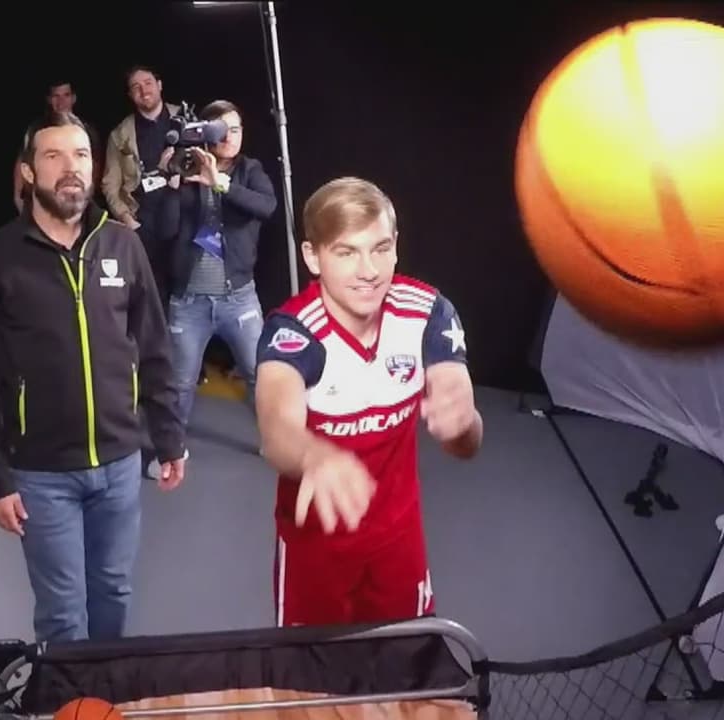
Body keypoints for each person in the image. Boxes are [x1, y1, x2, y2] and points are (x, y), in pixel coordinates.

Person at [0, 112, 187, 643]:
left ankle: (105, 686)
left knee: (114, 592)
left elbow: (154, 349)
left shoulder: (123, 246)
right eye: (53, 156)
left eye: (81, 155)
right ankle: (69, 692)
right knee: (62, 613)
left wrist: (169, 437)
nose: (70, 168)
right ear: (28, 171)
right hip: (41, 474)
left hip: (121, 465)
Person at [255, 176, 483, 627]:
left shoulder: (428, 314)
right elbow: (276, 428)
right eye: (347, 252)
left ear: (396, 246)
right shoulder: (293, 332)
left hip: (398, 542)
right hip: (315, 550)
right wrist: (313, 454)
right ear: (312, 257)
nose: (369, 271)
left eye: (380, 249)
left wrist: (464, 422)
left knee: (406, 663)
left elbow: (466, 443)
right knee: (308, 671)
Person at [153, 99, 276, 478]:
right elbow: (166, 231)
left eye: (235, 129)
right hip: (189, 301)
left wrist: (218, 183)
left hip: (239, 298)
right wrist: (172, 185)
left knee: (259, 374)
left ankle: (276, 440)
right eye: (221, 130)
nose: (229, 137)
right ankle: (171, 451)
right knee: (180, 382)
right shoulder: (187, 167)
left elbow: (266, 207)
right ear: (205, 133)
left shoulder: (250, 171)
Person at [102, 65, 181, 305]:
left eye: (147, 83)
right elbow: (109, 184)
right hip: (144, 222)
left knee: (187, 292)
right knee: (152, 296)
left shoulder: (184, 118)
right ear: (130, 95)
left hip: (184, 217)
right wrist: (127, 220)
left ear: (160, 85)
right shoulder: (120, 135)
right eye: (135, 87)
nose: (143, 90)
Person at [13, 81, 103, 213]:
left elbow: (96, 169)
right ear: (49, 99)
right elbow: (22, 164)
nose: (61, 101)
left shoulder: (86, 132)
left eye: (66, 95)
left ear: (73, 98)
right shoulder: (39, 131)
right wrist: (18, 198)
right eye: (56, 96)